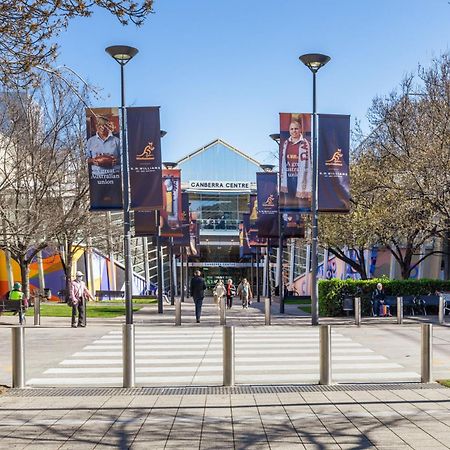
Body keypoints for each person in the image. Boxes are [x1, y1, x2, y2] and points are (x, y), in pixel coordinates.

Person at [280, 119, 311, 210]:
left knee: (303, 207)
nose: (294, 131)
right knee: (289, 206)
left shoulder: (306, 144)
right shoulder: (286, 144)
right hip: (288, 178)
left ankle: (304, 223)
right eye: (292, 129)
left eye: (296, 129)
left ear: (300, 130)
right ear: (289, 130)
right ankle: (289, 222)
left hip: (301, 179)